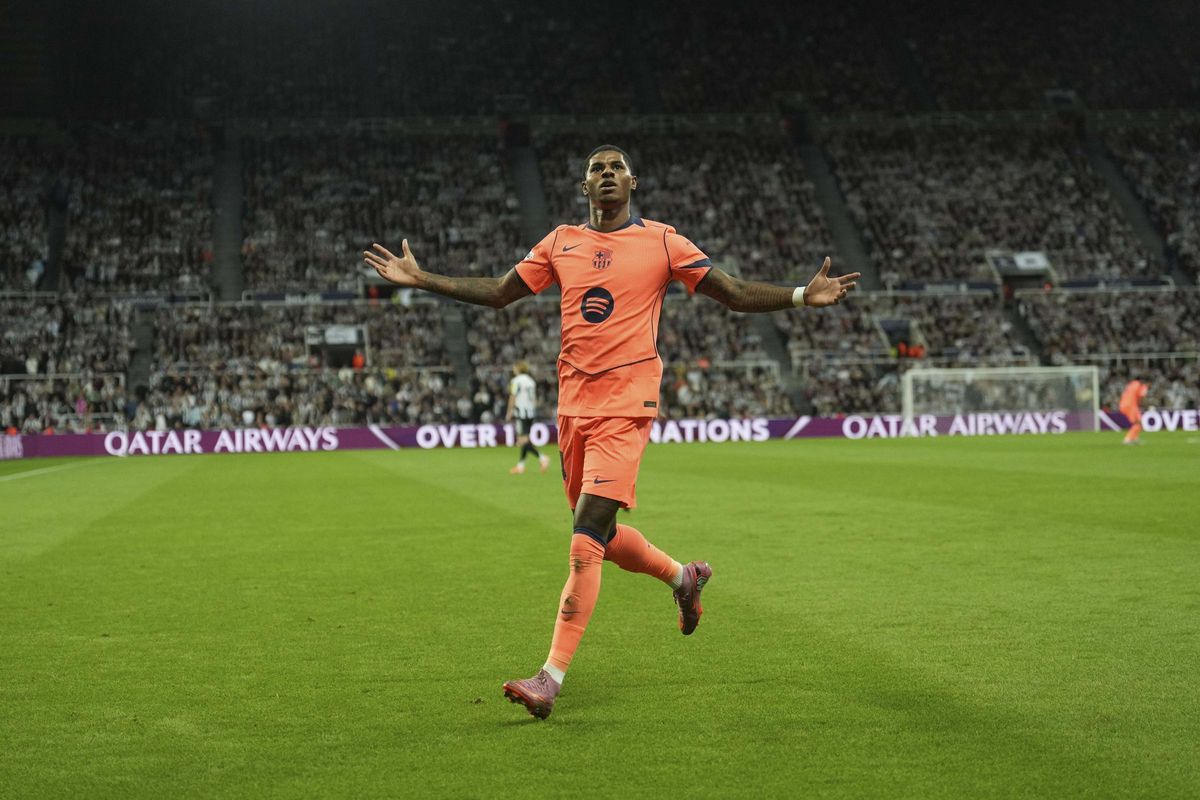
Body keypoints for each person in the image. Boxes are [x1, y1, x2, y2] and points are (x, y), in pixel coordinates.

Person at [363, 145, 859, 720]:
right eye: (596, 169)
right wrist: (423, 279)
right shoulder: (560, 243)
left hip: (628, 403)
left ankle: (549, 676)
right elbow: (501, 292)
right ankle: (682, 577)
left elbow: (734, 292)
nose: (605, 175)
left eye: (615, 167)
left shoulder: (664, 242)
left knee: (585, 538)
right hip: (573, 407)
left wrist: (802, 295)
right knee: (599, 529)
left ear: (632, 182)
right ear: (584, 187)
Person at [506, 361, 550, 474]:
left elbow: (513, 396)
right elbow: (534, 399)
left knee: (522, 440)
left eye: (515, 367)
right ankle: (520, 466)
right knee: (525, 440)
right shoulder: (531, 381)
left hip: (521, 412)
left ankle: (542, 458)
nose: (513, 369)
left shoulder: (515, 381)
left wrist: (509, 412)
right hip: (530, 412)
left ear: (518, 369)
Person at [1120, 378, 1149, 445]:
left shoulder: (1132, 384)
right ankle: (1127, 439)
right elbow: (1141, 396)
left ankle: (1135, 438)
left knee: (1139, 422)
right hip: (1131, 406)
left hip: (1124, 404)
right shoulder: (1143, 386)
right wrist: (1144, 405)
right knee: (1137, 423)